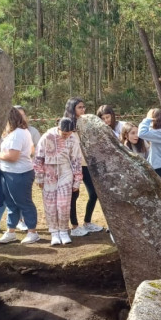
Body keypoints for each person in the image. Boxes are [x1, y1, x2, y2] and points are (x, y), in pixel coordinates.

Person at [0, 106, 39, 234]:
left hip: (19, 174)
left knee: (23, 202)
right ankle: (11, 231)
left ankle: (32, 232)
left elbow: (12, 157)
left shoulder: (18, 133)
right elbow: (31, 148)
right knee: (11, 203)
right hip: (9, 173)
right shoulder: (13, 133)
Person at [35, 118, 83, 246]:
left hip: (65, 170)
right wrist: (39, 175)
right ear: (58, 128)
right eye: (64, 133)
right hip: (49, 170)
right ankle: (54, 232)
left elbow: (77, 160)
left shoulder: (73, 139)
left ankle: (63, 230)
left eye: (68, 133)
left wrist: (77, 180)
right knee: (50, 204)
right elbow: (39, 156)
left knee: (63, 204)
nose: (66, 136)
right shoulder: (47, 136)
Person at [63, 97, 105, 236]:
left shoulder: (86, 122)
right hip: (71, 165)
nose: (83, 109)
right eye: (79, 107)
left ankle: (87, 222)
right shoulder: (66, 124)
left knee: (94, 193)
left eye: (83, 107)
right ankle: (74, 226)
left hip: (86, 164)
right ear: (72, 108)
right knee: (73, 196)